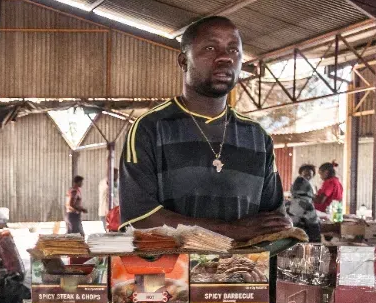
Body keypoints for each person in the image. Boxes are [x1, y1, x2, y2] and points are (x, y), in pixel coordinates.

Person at [118, 16, 291, 241]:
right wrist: (229, 231)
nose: (224, 58)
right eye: (210, 48)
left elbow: (273, 219)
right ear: (183, 61)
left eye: (233, 50)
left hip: (244, 273)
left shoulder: (257, 137)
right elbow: (139, 218)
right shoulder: (151, 128)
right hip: (173, 274)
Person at [289, 165, 320, 242]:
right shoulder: (307, 205)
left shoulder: (287, 204)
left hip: (287, 238)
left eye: (310, 175)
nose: (308, 177)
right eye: (306, 174)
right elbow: (314, 226)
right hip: (302, 238)